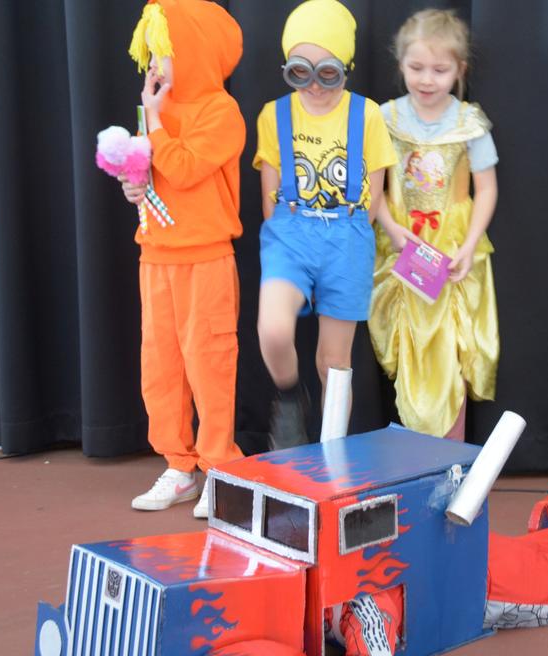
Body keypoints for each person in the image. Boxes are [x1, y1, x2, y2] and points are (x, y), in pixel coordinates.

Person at [253, 0, 398, 449]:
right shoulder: (273, 115)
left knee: (333, 363)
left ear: (347, 66)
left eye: (327, 72)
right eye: (301, 71)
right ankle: (290, 398)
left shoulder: (367, 115)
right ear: (288, 68)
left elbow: (373, 197)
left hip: (347, 236)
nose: (314, 85)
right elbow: (270, 198)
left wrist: (343, 242)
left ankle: (331, 453)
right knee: (274, 329)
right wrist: (295, 242)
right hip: (291, 233)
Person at [121, 0, 245, 518]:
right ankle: (179, 465)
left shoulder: (221, 111)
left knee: (208, 364)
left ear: (194, 52)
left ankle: (220, 469)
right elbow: (151, 174)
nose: (153, 62)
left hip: (206, 260)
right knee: (162, 366)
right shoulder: (154, 109)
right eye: (150, 51)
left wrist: (152, 124)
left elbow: (189, 168)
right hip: (155, 258)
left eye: (164, 51)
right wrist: (134, 185)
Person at [370, 8, 499, 440]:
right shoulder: (386, 120)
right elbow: (375, 189)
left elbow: (487, 189)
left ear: (459, 70)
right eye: (416, 67)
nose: (427, 79)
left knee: (450, 350)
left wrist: (469, 243)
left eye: (440, 70)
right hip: (403, 246)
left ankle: (452, 464)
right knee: (412, 349)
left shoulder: (469, 124)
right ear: (400, 64)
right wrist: (388, 225)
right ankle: (416, 462)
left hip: (454, 247)